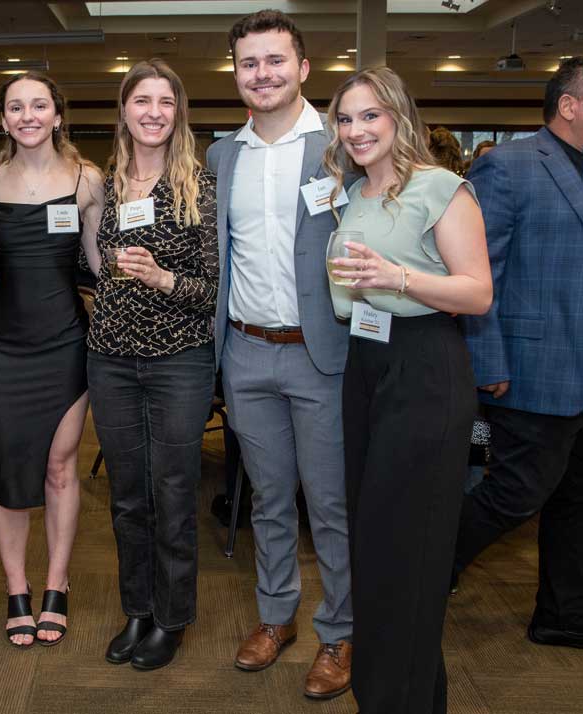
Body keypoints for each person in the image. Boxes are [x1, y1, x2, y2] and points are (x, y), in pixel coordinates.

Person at [325, 66, 492, 714]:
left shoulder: (441, 188)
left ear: (397, 115)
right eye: (345, 118)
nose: (357, 129)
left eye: (370, 115)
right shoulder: (355, 195)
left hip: (424, 369)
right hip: (366, 365)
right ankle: (399, 698)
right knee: (376, 551)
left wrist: (397, 276)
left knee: (409, 556)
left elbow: (477, 291)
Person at [205, 10, 353, 698]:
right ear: (235, 73)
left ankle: (340, 633)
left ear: (302, 68)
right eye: (248, 64)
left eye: (274, 61)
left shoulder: (338, 148)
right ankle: (276, 618)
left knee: (328, 505)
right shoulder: (222, 155)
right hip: (245, 352)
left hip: (320, 355)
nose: (261, 74)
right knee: (267, 499)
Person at [0, 72, 104, 647]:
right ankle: (17, 587)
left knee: (60, 466)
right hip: (4, 344)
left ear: (57, 115)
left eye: (39, 105)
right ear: (4, 119)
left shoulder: (87, 179)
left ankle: (56, 586)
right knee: (8, 465)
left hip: (65, 340)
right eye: (16, 107)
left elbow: (93, 264)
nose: (28, 115)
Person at [89, 58, 217, 671]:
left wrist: (162, 277)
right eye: (142, 100)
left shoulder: (199, 183)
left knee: (172, 492)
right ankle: (137, 609)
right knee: (126, 496)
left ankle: (172, 618)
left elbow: (211, 290)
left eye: (165, 102)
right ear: (125, 109)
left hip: (179, 361)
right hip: (110, 358)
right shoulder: (107, 183)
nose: (153, 113)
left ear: (178, 112)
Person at [454, 56, 583, 650]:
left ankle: (561, 614)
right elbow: (482, 275)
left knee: (575, 501)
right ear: (570, 104)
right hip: (533, 370)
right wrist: (489, 363)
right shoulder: (508, 166)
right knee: (514, 495)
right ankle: (417, 570)